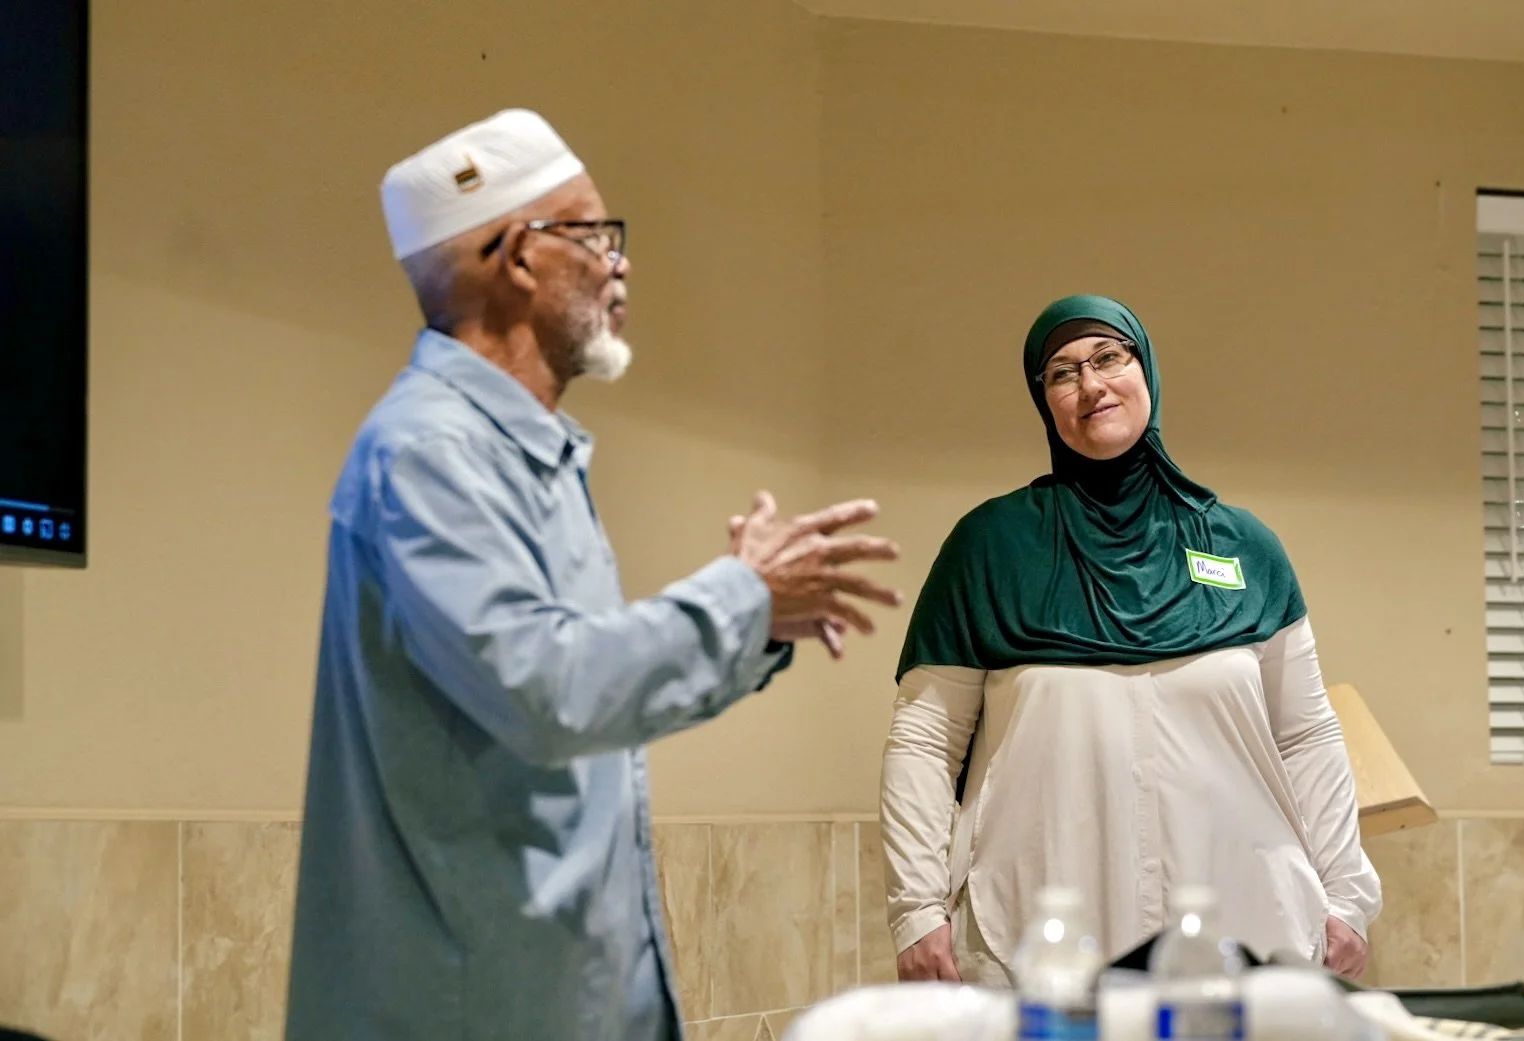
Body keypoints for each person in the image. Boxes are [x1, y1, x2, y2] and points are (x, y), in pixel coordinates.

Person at [283, 109, 903, 1041]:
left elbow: (593, 696)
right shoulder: (428, 452)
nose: (621, 266)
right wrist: (741, 595)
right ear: (522, 258)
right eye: (598, 236)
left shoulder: (525, 454)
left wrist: (759, 619)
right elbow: (548, 688)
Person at [878, 294, 1381, 989]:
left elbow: (1306, 735)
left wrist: (1347, 899)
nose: (1090, 384)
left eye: (1109, 357)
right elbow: (925, 740)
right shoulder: (989, 548)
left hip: (1243, 932)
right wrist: (916, 910)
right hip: (1039, 941)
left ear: (1144, 368)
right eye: (1061, 372)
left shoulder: (1243, 547)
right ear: (1043, 400)